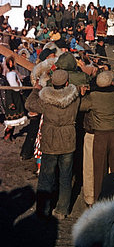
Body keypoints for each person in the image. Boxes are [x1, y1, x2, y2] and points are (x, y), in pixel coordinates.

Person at [25, 68, 80, 219]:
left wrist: (36, 90)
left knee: (46, 177)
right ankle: (62, 210)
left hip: (50, 140)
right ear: (67, 82)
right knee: (66, 176)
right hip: (68, 140)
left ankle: (43, 210)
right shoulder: (75, 98)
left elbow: (29, 104)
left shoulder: (45, 99)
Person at [80, 70, 114, 201]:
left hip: (100, 136)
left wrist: (82, 94)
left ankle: (99, 199)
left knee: (99, 170)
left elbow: (81, 106)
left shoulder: (93, 96)